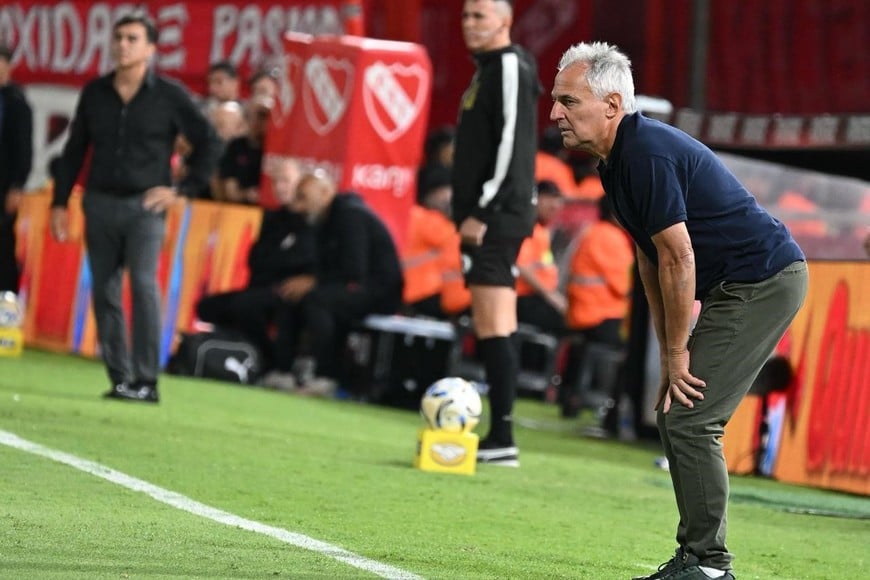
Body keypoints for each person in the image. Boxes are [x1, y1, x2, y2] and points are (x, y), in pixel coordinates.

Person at [550, 42, 807, 579]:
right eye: (557, 101)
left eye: (569, 101)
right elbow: (649, 261)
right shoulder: (615, 161)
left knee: (691, 419)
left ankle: (709, 566)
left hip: (761, 281)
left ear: (612, 104)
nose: (555, 114)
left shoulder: (644, 153)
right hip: (737, 283)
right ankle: (697, 557)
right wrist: (669, 355)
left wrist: (677, 349)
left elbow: (678, 254)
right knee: (677, 414)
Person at [50, 12, 220, 403]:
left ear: (150, 49)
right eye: (119, 38)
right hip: (99, 201)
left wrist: (184, 189)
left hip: (145, 206)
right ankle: (120, 378)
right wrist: (61, 201)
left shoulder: (170, 95)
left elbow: (210, 141)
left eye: (132, 39)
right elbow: (75, 149)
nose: (122, 45)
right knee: (104, 292)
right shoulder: (95, 92)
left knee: (144, 286)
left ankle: (147, 379)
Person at [452, 0, 539, 467]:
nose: (470, 24)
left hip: (496, 216)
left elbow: (510, 144)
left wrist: (482, 210)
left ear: (504, 22)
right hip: (492, 215)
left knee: (493, 321)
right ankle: (500, 433)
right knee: (495, 321)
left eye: (480, 16)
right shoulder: (489, 69)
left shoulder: (507, 65)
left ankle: (502, 435)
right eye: (466, 16)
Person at [279, 171, 403, 395]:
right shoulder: (324, 221)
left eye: (303, 197)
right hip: (355, 287)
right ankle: (283, 369)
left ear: (326, 193)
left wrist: (314, 282)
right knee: (292, 294)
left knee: (318, 300)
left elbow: (354, 269)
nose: (299, 206)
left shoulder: (349, 216)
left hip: (380, 292)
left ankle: (326, 375)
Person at [195, 159, 315, 384]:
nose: (281, 187)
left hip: (285, 292)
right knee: (207, 306)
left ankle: (267, 360)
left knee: (246, 306)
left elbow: (297, 260)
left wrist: (277, 263)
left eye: (286, 181)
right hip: (260, 287)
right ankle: (238, 353)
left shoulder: (311, 222)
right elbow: (255, 258)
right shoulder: (272, 218)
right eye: (277, 181)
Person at [559, 194, 634, 417]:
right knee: (636, 344)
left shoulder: (591, 232)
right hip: (600, 315)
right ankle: (615, 406)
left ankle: (572, 396)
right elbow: (625, 286)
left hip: (581, 314)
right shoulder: (611, 238)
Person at [402, 165, 457, 319]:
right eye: (445, 190)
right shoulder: (426, 218)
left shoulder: (416, 215)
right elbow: (457, 239)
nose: (449, 196)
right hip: (423, 291)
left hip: (418, 292)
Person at [0, 44, 34, 293]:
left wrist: (17, 186)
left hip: (3, 188)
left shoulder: (16, 102)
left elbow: (24, 149)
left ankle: (5, 319)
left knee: (3, 254)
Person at [515, 180, 566, 335]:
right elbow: (522, 266)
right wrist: (551, 296)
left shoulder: (541, 230)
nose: (554, 206)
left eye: (557, 201)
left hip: (536, 298)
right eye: (549, 199)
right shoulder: (527, 227)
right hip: (523, 298)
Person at [215, 96, 271, 204]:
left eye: (262, 116)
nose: (256, 122)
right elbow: (230, 190)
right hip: (241, 209)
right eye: (250, 116)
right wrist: (247, 194)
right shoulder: (236, 146)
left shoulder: (276, 149)